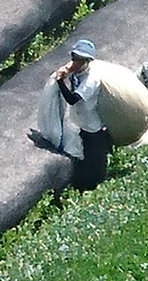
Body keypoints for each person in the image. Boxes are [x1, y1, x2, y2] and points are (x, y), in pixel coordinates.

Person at [46, 38, 110, 190]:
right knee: (80, 160)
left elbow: (73, 99)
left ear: (87, 62)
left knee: (93, 165)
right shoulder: (77, 72)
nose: (75, 62)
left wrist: (60, 81)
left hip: (92, 129)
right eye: (74, 58)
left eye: (80, 60)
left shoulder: (91, 80)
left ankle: (92, 188)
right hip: (79, 123)